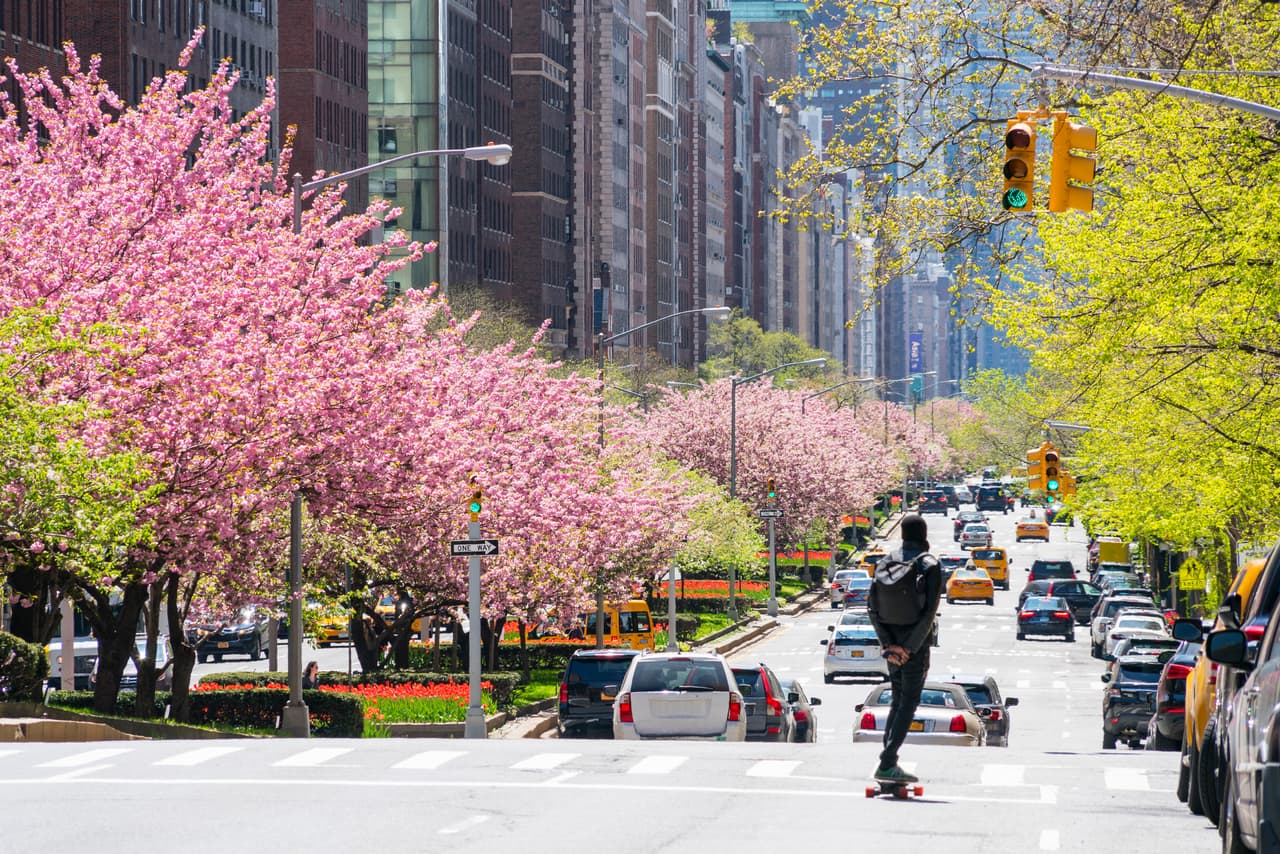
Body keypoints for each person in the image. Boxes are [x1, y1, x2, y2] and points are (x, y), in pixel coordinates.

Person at [867, 513, 943, 784]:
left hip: (892, 646)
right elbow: (929, 613)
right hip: (914, 646)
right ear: (924, 535)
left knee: (897, 701)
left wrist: (889, 645)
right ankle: (887, 762)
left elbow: (872, 608)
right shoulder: (929, 565)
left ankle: (889, 761)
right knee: (908, 703)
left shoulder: (885, 562)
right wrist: (909, 648)